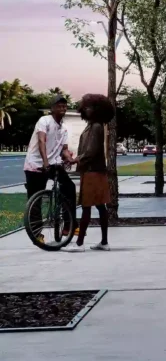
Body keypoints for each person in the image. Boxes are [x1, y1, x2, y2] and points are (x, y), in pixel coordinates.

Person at [24, 96, 76, 231]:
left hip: (53, 164)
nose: (62, 108)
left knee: (69, 188)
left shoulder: (64, 128)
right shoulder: (44, 121)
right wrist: (45, 162)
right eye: (59, 106)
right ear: (52, 108)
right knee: (36, 201)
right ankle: (37, 233)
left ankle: (69, 226)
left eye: (64, 106)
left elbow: (64, 149)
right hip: (35, 165)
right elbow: (42, 141)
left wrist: (70, 159)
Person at [74, 94, 114, 250]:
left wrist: (76, 159)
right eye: (86, 107)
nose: (87, 109)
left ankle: (79, 244)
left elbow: (91, 151)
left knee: (87, 206)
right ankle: (104, 242)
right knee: (99, 206)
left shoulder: (96, 126)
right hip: (92, 171)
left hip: (93, 172)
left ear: (98, 110)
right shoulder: (91, 125)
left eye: (90, 107)